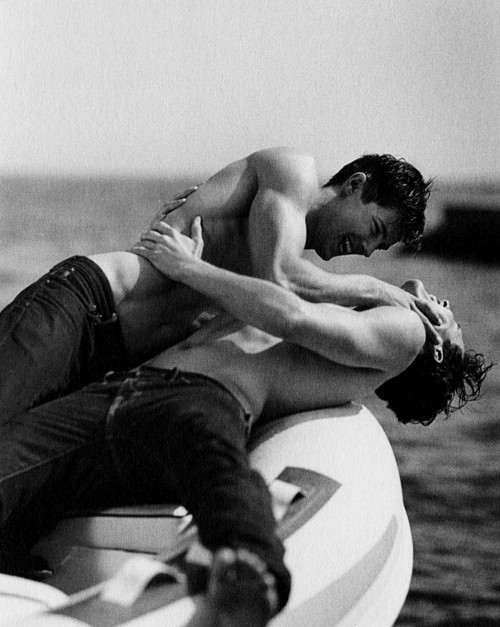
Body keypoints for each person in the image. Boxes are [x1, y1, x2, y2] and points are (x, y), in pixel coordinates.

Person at [0, 220, 489, 627]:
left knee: (218, 467)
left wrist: (189, 267)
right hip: (127, 389)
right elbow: (267, 301)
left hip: (201, 397)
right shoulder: (352, 312)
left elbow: (292, 317)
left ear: (438, 350)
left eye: (451, 319)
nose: (444, 305)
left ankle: (249, 564)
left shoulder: (408, 331)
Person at [0, 147, 437, 424]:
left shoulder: (279, 254)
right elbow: (281, 277)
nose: (366, 251)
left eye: (379, 250)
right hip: (87, 307)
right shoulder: (293, 173)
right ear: (356, 185)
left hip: (111, 363)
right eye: (375, 230)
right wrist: (380, 289)